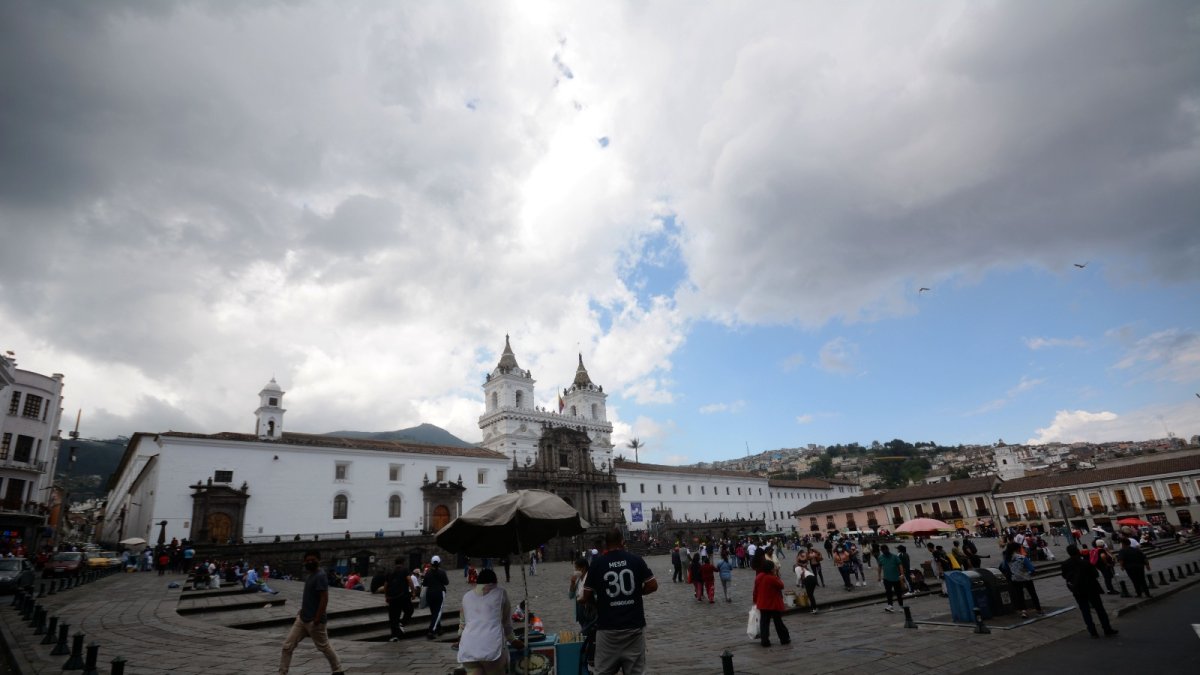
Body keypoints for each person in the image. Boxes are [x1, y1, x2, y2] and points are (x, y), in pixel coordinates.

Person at [581, 527, 658, 675]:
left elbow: (585, 595)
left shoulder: (597, 564)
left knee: (602, 671)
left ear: (605, 544)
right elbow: (653, 585)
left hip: (607, 629)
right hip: (634, 627)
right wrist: (637, 592)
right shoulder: (636, 560)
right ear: (622, 541)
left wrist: (595, 603)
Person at [278, 551, 345, 675]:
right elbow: (310, 597)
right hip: (302, 619)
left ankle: (338, 670)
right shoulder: (310, 576)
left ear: (319, 560)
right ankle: (282, 672)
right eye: (307, 560)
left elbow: (324, 598)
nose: (310, 562)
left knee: (324, 646)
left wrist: (317, 618)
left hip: (315, 621)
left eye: (312, 560)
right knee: (287, 646)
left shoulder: (320, 576)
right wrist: (302, 610)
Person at [456, 568, 517, 675]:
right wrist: (513, 640)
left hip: (468, 648)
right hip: (491, 648)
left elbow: (462, 624)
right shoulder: (501, 593)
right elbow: (506, 623)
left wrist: (460, 639)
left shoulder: (467, 596)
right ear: (495, 581)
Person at [1061, 544, 1117, 638]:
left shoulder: (1065, 564)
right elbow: (1095, 574)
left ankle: (1093, 632)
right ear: (1077, 551)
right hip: (1091, 588)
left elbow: (1064, 576)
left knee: (1085, 611)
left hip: (1078, 590)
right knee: (1099, 609)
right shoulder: (1085, 562)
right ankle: (1107, 628)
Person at [752, 561, 790, 647]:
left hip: (762, 603)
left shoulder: (759, 577)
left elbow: (755, 590)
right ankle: (784, 639)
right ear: (771, 569)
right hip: (773, 603)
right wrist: (776, 575)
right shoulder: (772, 578)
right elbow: (781, 585)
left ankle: (764, 641)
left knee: (764, 623)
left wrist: (755, 600)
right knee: (778, 622)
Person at [1002, 542, 1041, 619]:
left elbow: (1005, 568)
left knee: (1019, 595)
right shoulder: (1022, 558)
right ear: (1017, 549)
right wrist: (1027, 573)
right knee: (1033, 594)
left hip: (1015, 579)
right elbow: (1032, 569)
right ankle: (1039, 610)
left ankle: (1023, 611)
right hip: (1026, 578)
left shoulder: (1007, 559)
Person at [384, 557, 414, 641]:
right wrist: (413, 592)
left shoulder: (389, 572)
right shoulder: (405, 570)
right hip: (403, 596)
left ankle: (394, 636)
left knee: (393, 617)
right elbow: (409, 580)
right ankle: (402, 623)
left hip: (392, 598)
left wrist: (386, 596)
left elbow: (385, 585)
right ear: (402, 563)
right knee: (409, 610)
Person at [424, 555, 450, 639]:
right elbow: (446, 583)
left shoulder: (428, 572)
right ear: (439, 563)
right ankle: (431, 631)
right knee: (437, 612)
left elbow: (424, 583)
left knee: (434, 612)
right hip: (439, 593)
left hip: (429, 594)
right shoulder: (442, 572)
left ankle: (439, 629)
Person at [875, 545, 905, 612]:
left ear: (888, 549)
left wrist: (902, 574)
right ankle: (890, 605)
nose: (885, 551)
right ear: (881, 551)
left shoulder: (894, 556)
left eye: (886, 550)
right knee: (888, 592)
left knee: (898, 593)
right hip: (886, 578)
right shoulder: (880, 557)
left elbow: (900, 565)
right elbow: (879, 567)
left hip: (896, 578)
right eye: (883, 550)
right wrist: (879, 576)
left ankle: (901, 606)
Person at [569, 558, 597, 630]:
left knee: (588, 629)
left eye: (577, 568)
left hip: (589, 609)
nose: (575, 570)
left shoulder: (590, 578)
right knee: (583, 627)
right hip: (580, 609)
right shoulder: (577, 579)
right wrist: (572, 583)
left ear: (583, 568)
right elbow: (571, 595)